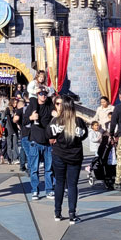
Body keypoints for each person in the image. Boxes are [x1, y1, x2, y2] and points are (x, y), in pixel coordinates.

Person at [48, 95, 88, 223]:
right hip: (75, 156)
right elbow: (83, 135)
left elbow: (48, 134)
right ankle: (72, 214)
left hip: (59, 154)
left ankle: (57, 213)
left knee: (59, 183)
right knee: (72, 185)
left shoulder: (56, 121)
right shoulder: (79, 122)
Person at [26, 88, 55, 200]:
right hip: (35, 142)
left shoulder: (49, 105)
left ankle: (49, 190)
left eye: (45, 94)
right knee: (34, 169)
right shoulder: (32, 107)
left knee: (48, 169)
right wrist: (31, 118)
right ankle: (35, 190)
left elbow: (54, 113)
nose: (43, 96)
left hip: (47, 142)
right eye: (41, 94)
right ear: (37, 95)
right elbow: (24, 121)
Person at [13, 96, 28, 172]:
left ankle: (22, 165)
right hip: (30, 131)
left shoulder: (19, 111)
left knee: (23, 149)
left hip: (23, 131)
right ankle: (28, 166)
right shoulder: (28, 110)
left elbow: (15, 120)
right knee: (29, 149)